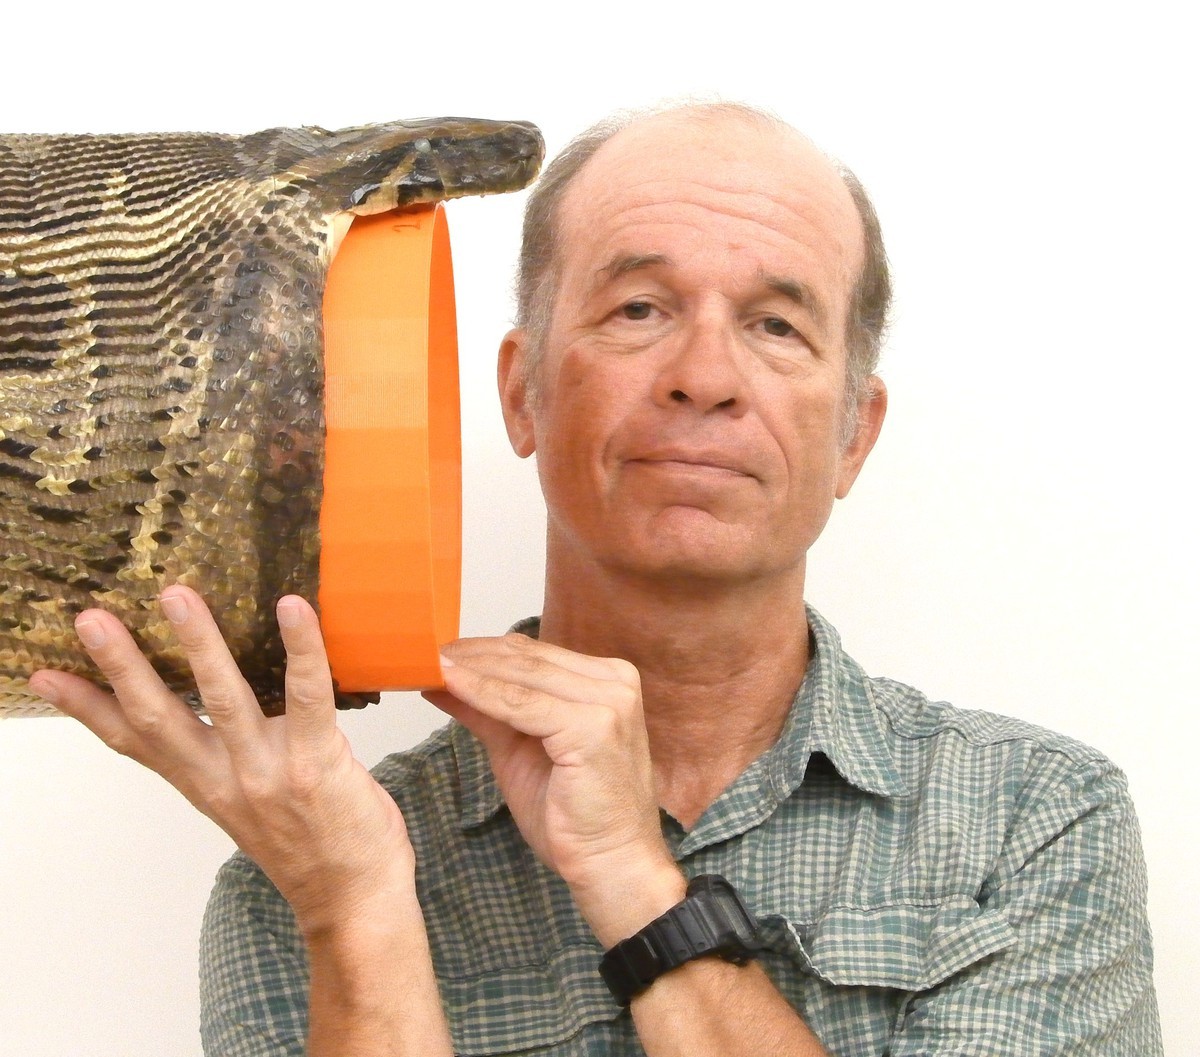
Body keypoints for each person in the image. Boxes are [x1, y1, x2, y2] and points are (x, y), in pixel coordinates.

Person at [30, 103, 1161, 1056]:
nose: (705, 377)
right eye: (639, 310)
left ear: (853, 437)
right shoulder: (309, 868)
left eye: (775, 324)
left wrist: (633, 875)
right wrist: (353, 909)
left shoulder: (1034, 821)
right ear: (523, 394)